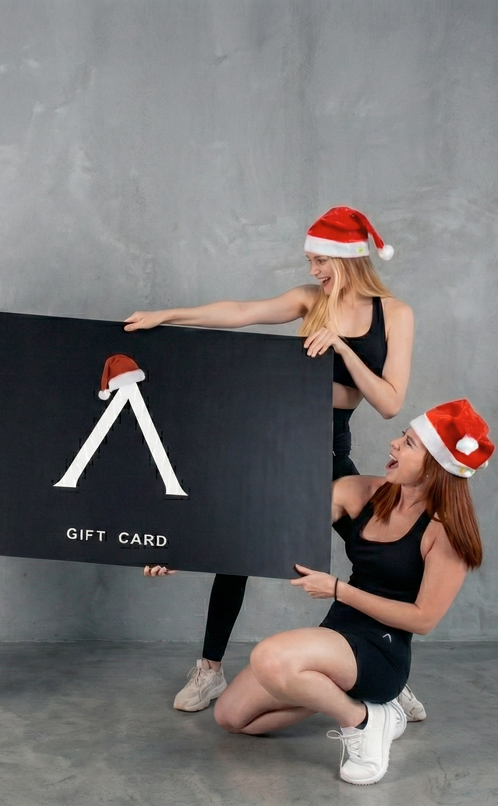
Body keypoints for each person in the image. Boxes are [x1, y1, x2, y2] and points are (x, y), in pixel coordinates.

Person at [127, 207, 415, 713]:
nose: (313, 271)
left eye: (320, 261)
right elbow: (241, 311)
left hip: (328, 448)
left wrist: (344, 350)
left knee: (376, 553)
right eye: (310, 262)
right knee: (237, 552)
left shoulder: (395, 314)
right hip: (276, 437)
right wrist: (166, 315)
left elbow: (390, 403)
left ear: (347, 259)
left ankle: (382, 670)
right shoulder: (310, 300)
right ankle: (210, 670)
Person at [209, 400, 494, 785]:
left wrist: (339, 590)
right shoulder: (360, 491)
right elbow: (276, 535)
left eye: (409, 443)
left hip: (382, 651)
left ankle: (362, 720)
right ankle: (358, 703)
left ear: (434, 467)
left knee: (270, 658)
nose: (394, 443)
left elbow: (424, 619)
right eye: (403, 436)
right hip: (336, 635)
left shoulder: (445, 532)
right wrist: (185, 555)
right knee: (230, 717)